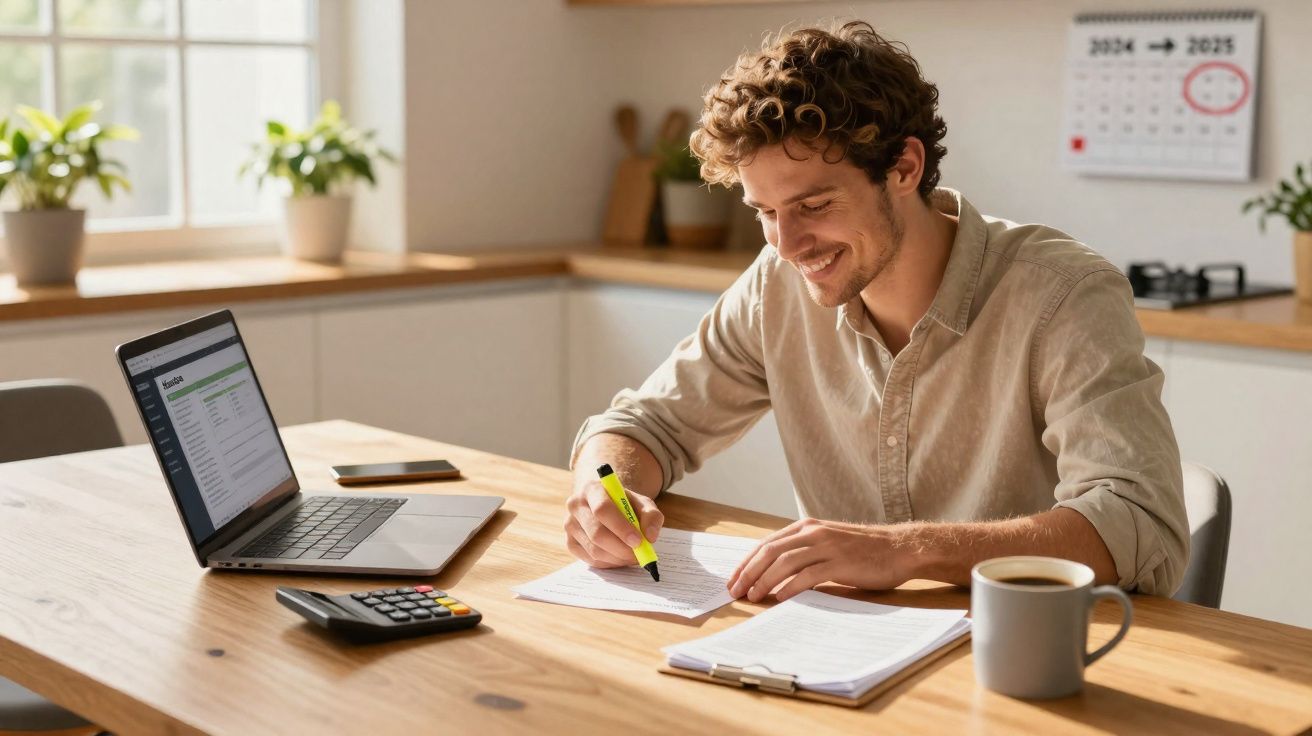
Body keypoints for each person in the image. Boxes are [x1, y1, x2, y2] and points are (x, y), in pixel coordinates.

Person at [564, 21, 1188, 602]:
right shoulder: (777, 283)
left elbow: (1137, 521)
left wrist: (906, 550)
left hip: (1037, 647)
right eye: (764, 212)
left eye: (814, 206)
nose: (787, 244)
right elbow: (644, 426)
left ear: (905, 168)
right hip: (847, 650)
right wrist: (604, 490)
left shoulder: (1064, 294)